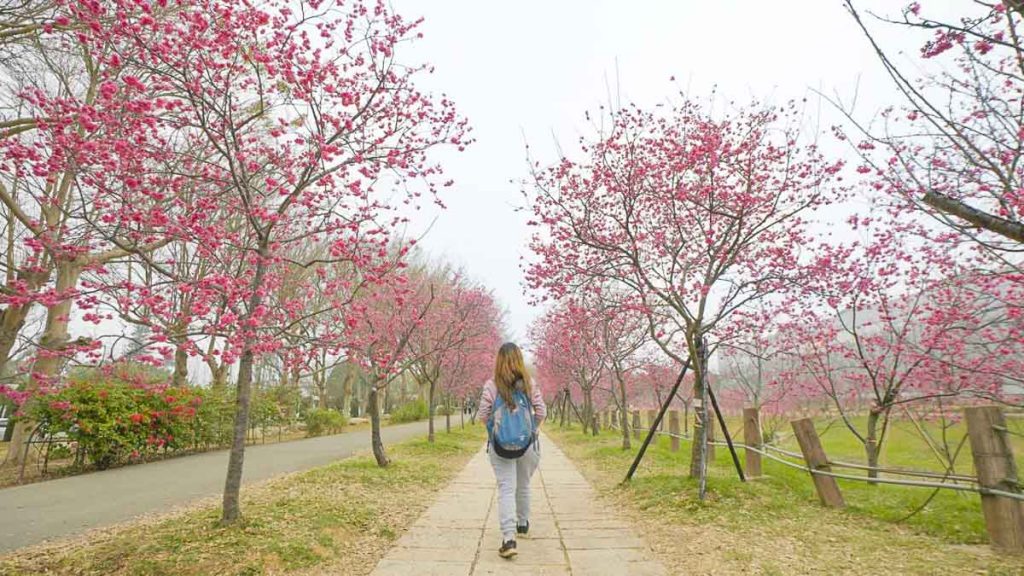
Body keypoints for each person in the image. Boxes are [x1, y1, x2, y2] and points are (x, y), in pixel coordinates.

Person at [477, 342, 546, 559]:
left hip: (500, 446)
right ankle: (523, 524)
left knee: (506, 488)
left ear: (498, 361)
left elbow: (483, 414)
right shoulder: (528, 383)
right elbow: (541, 411)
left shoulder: (491, 385)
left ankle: (508, 539)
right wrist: (530, 431)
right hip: (527, 445)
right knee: (523, 484)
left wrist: (494, 433)